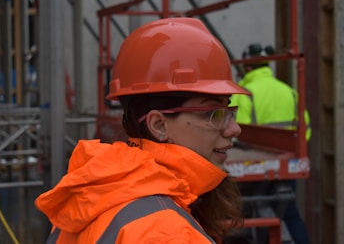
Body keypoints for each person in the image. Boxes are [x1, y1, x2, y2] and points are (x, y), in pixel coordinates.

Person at [35, 17, 251, 243]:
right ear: (158, 125)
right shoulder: (168, 234)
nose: (233, 129)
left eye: (229, 112)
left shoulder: (91, 195)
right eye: (213, 114)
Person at [230, 43, 311, 244]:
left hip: (253, 168)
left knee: (247, 215)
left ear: (248, 68)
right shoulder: (290, 92)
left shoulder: (244, 93)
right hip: (287, 161)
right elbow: (305, 128)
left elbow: (235, 130)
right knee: (290, 214)